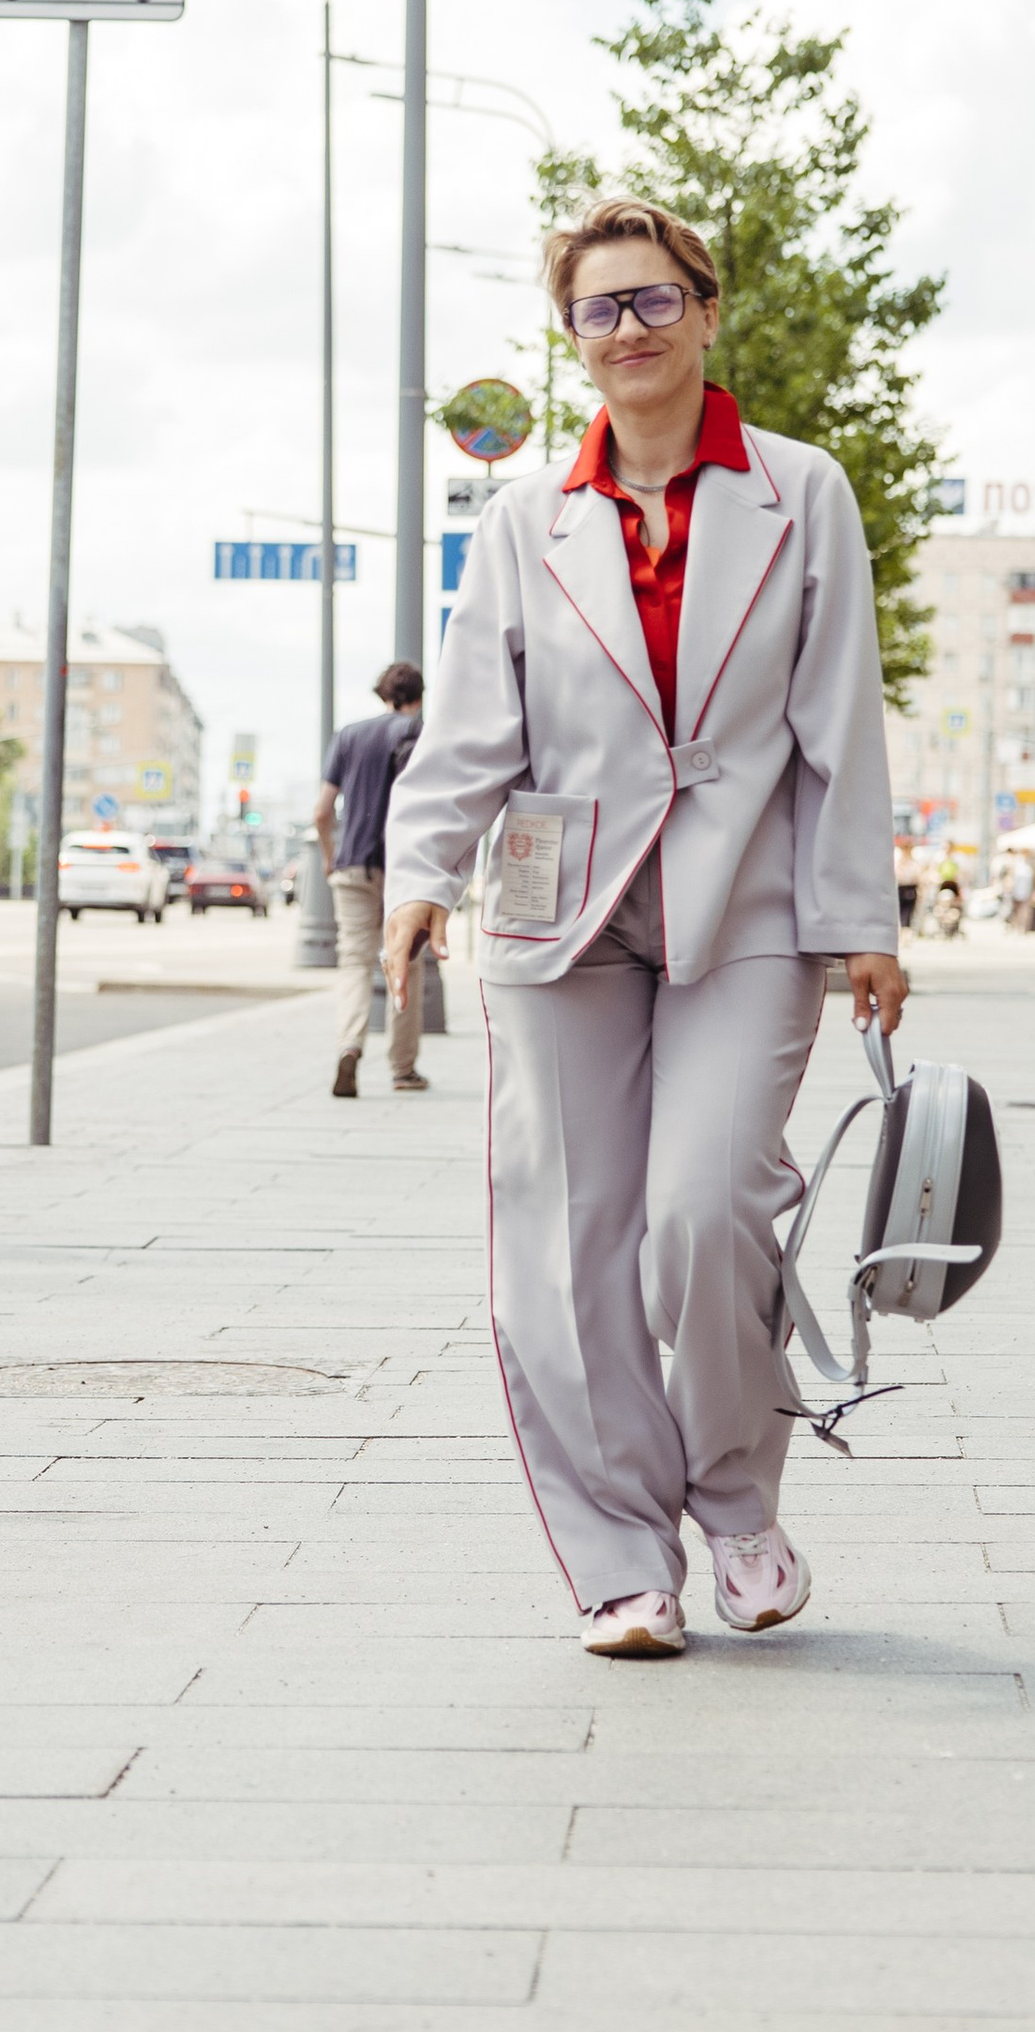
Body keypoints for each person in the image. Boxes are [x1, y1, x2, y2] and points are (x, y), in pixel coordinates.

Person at [383, 193, 902, 1662]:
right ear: (571, 340)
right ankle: (624, 1559)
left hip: (748, 897)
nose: (628, 331)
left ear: (707, 307)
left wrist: (864, 916)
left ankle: (737, 1502)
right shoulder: (523, 519)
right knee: (563, 1239)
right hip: (561, 907)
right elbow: (477, 726)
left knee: (702, 1211)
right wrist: (420, 873)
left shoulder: (803, 492)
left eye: (654, 300)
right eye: (598, 311)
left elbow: (839, 722)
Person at [316, 661, 426, 1099]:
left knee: (355, 963)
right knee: (406, 963)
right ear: (418, 696)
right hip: (404, 869)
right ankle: (403, 1068)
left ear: (381, 693)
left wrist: (330, 858)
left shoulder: (348, 735)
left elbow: (322, 811)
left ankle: (349, 1045)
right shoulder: (418, 733)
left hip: (352, 864)